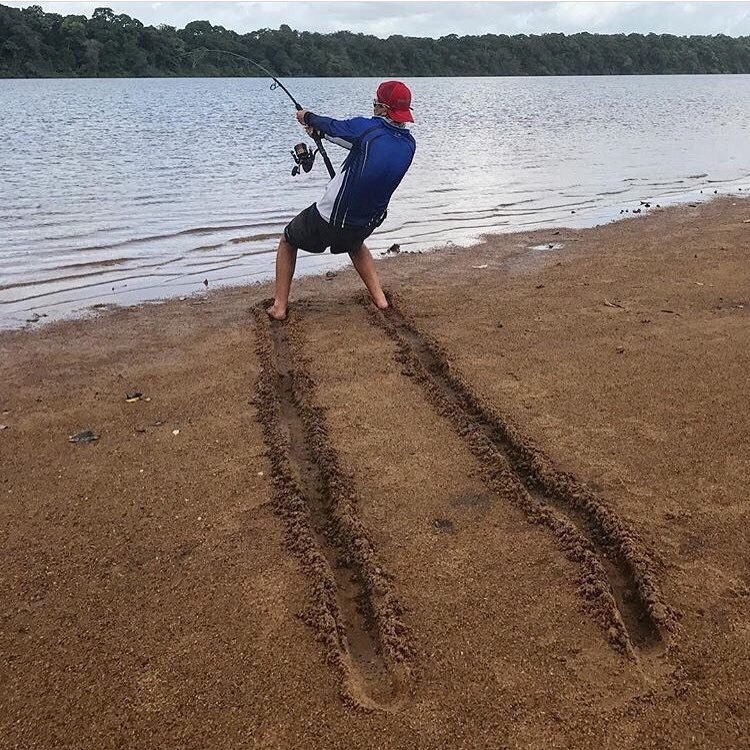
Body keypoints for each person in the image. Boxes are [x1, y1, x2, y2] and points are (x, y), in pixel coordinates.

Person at [266, 80, 417, 321]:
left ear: (383, 107)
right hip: (368, 221)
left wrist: (308, 117)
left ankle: (279, 307)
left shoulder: (367, 130)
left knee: (287, 240)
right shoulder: (409, 145)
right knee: (355, 244)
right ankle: (380, 300)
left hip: (333, 217)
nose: (373, 107)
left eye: (376, 103)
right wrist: (320, 134)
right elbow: (355, 142)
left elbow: (337, 127)